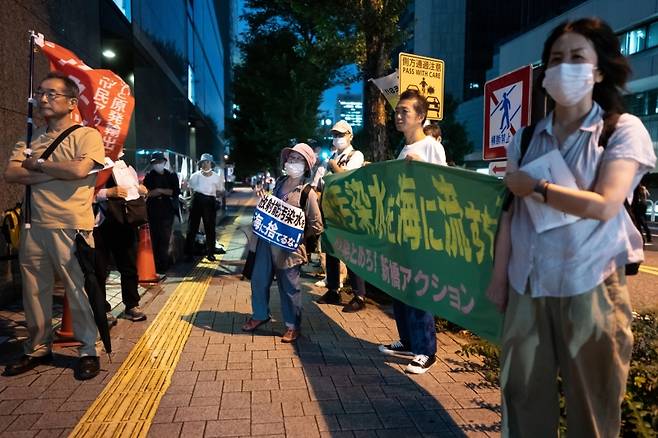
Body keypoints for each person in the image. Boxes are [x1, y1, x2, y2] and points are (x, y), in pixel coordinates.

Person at [485, 18, 656, 437]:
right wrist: (499, 278)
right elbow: (511, 213)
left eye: (577, 57)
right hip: (527, 287)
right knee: (523, 403)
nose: (565, 67)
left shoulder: (621, 130)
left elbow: (605, 205)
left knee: (593, 411)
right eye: (556, 59)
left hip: (592, 287)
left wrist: (538, 187)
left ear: (598, 70)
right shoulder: (525, 139)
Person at [2, 72, 104, 380]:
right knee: (34, 291)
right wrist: (58, 172)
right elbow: (12, 174)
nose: (43, 99)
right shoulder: (30, 137)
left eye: (51, 94)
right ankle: (37, 346)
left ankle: (88, 349)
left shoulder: (86, 136)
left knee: (78, 289)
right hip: (34, 226)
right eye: (40, 93)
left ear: (72, 102)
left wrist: (41, 166)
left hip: (71, 225)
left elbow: (81, 170)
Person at [378, 89, 447, 374]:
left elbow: (444, 186)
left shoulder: (431, 146)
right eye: (397, 111)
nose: (398, 115)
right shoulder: (403, 149)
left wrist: (422, 170)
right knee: (400, 284)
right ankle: (407, 341)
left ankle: (426, 350)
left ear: (420, 117)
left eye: (405, 111)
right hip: (401, 227)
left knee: (419, 287)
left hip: (422, 229)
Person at [242, 143, 322, 343]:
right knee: (259, 280)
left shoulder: (307, 192)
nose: (292, 162)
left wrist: (298, 236)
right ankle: (259, 315)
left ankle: (292, 326)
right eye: (290, 158)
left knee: (290, 287)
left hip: (289, 249)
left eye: (297, 159)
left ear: (306, 165)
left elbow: (317, 224)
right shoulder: (279, 182)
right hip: (265, 242)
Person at [315, 120, 369, 313]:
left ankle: (359, 295)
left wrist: (332, 166)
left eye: (341, 134)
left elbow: (347, 178)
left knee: (352, 252)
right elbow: (318, 185)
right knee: (331, 251)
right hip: (330, 212)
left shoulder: (356, 155)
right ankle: (333, 289)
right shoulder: (331, 156)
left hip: (349, 213)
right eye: (335, 135)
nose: (337, 138)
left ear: (350, 136)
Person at [94, 170, 148, 322]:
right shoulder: (95, 166)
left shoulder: (126, 168)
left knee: (129, 266)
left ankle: (132, 305)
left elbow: (134, 192)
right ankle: (102, 309)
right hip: (100, 224)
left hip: (125, 222)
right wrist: (107, 192)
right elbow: (83, 194)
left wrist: (143, 192)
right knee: (99, 269)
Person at [143, 151, 180, 273]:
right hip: (152, 211)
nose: (158, 164)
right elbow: (147, 193)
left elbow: (174, 192)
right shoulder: (149, 176)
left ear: (164, 162)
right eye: (155, 162)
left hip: (167, 211)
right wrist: (163, 191)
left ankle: (164, 264)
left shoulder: (171, 176)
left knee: (165, 237)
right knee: (154, 238)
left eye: (160, 162)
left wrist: (158, 190)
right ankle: (155, 263)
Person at [184, 153, 225, 262]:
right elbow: (191, 189)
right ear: (200, 164)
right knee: (192, 227)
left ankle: (210, 253)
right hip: (197, 199)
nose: (205, 164)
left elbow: (220, 190)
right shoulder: (195, 175)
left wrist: (217, 200)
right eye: (203, 162)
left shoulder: (216, 177)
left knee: (210, 228)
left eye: (207, 162)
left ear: (211, 164)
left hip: (210, 200)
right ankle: (189, 254)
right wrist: (192, 200)